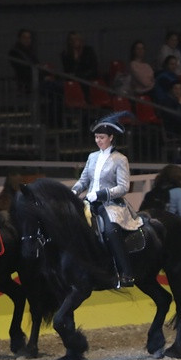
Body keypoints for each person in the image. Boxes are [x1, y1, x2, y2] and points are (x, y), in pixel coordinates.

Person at [70, 114, 141, 287]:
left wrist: (102, 194)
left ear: (111, 138)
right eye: (96, 137)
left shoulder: (120, 159)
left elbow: (123, 187)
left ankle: (126, 273)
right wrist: (74, 190)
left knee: (110, 231)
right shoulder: (92, 157)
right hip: (89, 202)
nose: (98, 141)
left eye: (102, 137)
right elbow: (84, 180)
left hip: (109, 204)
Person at [8, 28, 39, 95]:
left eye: (29, 38)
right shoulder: (15, 52)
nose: (27, 40)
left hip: (34, 78)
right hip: (28, 81)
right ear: (19, 39)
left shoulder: (30, 51)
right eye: (24, 37)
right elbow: (24, 70)